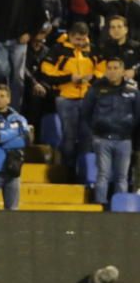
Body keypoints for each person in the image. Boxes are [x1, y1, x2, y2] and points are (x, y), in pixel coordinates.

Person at [41, 23, 102, 173]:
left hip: (88, 99)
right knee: (69, 136)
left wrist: (93, 78)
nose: (80, 43)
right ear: (70, 35)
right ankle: (67, 170)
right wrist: (69, 78)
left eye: (83, 39)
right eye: (77, 39)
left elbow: (103, 70)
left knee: (87, 137)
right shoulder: (58, 49)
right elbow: (46, 73)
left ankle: (83, 172)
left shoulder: (93, 50)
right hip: (66, 98)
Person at [84, 57, 140, 207]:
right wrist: (95, 130)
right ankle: (100, 205)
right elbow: (86, 112)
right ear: (106, 70)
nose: (112, 71)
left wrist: (128, 128)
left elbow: (137, 113)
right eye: (110, 68)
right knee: (103, 174)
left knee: (122, 177)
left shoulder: (133, 89)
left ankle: (119, 208)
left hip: (124, 139)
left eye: (116, 68)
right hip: (102, 138)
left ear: (122, 71)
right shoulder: (96, 88)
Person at [0, 83, 30, 210]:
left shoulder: (19, 119)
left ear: (8, 99)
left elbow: (25, 141)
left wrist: (2, 139)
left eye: (2, 96)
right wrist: (16, 132)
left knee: (13, 210)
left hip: (13, 170)